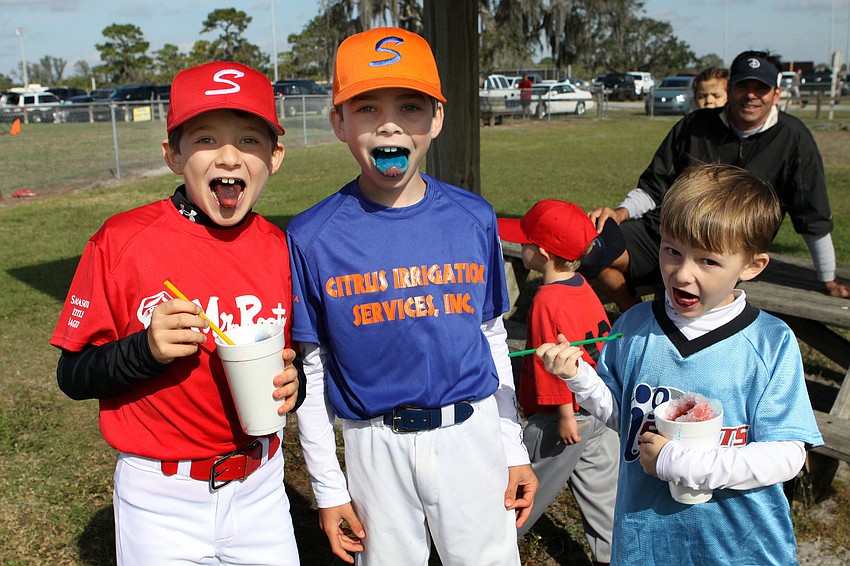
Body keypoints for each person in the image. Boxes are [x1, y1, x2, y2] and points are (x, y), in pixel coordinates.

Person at [287, 26, 537, 566]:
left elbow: (491, 337)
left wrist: (512, 446)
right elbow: (311, 371)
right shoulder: (311, 235)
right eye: (366, 108)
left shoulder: (474, 217)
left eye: (410, 105)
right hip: (373, 444)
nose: (390, 122)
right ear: (338, 122)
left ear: (437, 119)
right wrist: (329, 489)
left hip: (470, 436)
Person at [50, 61, 301, 565]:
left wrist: (294, 389)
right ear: (173, 154)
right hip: (160, 496)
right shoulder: (120, 242)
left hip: (262, 486)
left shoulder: (280, 247)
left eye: (250, 140)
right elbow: (73, 374)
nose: (229, 156)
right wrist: (145, 349)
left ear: (274, 156)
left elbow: (292, 364)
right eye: (206, 138)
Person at [538, 163, 824, 565]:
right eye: (672, 250)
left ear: (751, 265)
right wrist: (579, 376)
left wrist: (681, 463)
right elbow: (626, 419)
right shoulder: (635, 326)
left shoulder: (770, 342)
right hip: (647, 544)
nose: (682, 273)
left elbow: (788, 455)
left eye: (708, 261)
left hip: (742, 549)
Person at [587, 50, 850, 311]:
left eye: (761, 88)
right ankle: (634, 315)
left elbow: (812, 215)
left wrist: (828, 279)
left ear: (776, 94)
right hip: (669, 234)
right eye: (742, 86)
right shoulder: (695, 124)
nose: (750, 95)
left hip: (726, 248)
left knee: (700, 299)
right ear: (730, 87)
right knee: (587, 248)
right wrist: (621, 212)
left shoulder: (793, 137)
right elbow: (655, 184)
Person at [498, 200, 619, 565]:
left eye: (526, 242)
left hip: (561, 419)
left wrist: (565, 414)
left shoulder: (545, 301)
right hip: (599, 414)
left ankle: (484, 549)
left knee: (520, 490)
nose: (521, 248)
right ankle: (614, 557)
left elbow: (556, 367)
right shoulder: (584, 285)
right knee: (606, 498)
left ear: (544, 253)